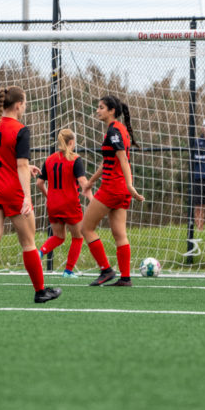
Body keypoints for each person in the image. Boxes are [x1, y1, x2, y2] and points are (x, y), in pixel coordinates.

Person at [0, 85, 61, 304]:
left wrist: (26, 168)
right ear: (19, 104)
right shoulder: (21, 129)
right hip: (12, 191)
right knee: (28, 242)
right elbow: (20, 165)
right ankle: (40, 291)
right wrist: (27, 197)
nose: (25, 106)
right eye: (25, 103)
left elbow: (2, 158)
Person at [81, 95, 145, 287]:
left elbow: (123, 158)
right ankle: (125, 278)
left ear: (112, 111)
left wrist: (130, 185)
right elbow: (109, 161)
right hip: (120, 189)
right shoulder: (119, 129)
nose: (97, 110)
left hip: (113, 188)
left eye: (101, 107)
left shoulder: (114, 131)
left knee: (86, 228)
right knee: (119, 234)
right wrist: (91, 181)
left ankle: (106, 269)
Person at [36, 128, 93, 277]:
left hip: (53, 204)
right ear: (71, 142)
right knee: (78, 237)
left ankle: (39, 253)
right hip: (70, 204)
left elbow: (39, 183)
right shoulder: (75, 159)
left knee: (59, 237)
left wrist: (49, 196)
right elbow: (83, 182)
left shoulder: (49, 159)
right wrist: (93, 200)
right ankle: (68, 271)